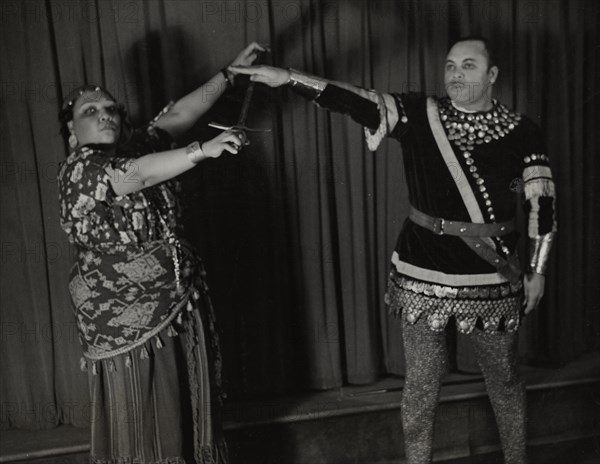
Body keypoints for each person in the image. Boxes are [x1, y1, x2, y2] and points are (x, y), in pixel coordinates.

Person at [229, 36, 556, 464]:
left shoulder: (521, 130)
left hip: (494, 273)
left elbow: (540, 202)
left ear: (492, 75)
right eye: (451, 65)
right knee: (422, 381)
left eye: (469, 66)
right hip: (424, 268)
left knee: (505, 378)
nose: (456, 74)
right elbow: (355, 100)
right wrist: (289, 78)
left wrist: (537, 268)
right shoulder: (420, 113)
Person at [57, 42, 265, 464]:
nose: (105, 115)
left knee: (186, 414)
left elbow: (179, 116)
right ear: (70, 131)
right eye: (90, 112)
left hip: (177, 304)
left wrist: (229, 76)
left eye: (111, 108)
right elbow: (135, 176)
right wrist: (202, 150)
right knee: (149, 422)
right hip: (128, 325)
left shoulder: (135, 146)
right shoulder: (80, 170)